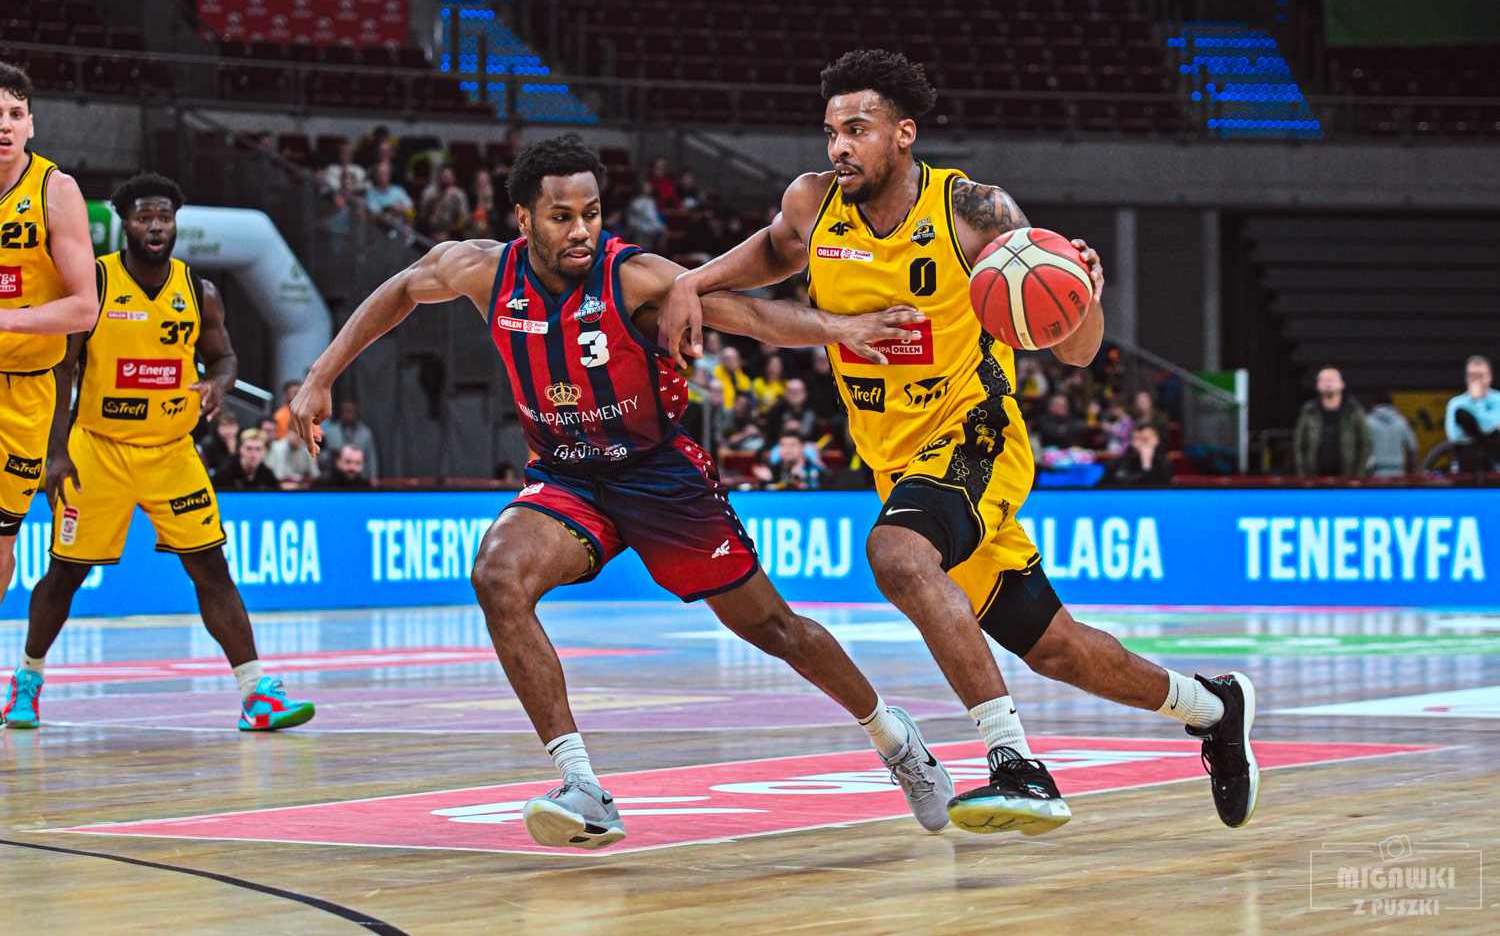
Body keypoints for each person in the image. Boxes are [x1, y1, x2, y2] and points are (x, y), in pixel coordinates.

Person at [287, 136, 951, 849]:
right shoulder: (483, 271)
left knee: (774, 630)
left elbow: (752, 316)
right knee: (497, 576)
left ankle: (894, 738)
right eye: (561, 216)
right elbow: (402, 287)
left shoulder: (633, 277)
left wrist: (840, 328)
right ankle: (583, 787)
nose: (581, 230)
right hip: (568, 477)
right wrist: (320, 376)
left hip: (659, 476)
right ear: (523, 219)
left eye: (592, 213)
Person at [658, 49, 1258, 836]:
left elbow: (1076, 352)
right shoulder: (813, 201)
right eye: (831, 132)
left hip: (976, 433)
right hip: (897, 462)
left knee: (898, 555)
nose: (839, 147)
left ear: (904, 133)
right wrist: (692, 281)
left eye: (858, 129)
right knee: (1058, 650)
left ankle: (1015, 764)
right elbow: (775, 250)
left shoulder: (972, 209)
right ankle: (1215, 708)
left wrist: (1080, 294)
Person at [3, 174, 311, 732]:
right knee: (65, 573)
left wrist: (218, 384)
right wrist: (56, 453)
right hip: (98, 450)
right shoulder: (96, 283)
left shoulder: (199, 290)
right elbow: (62, 368)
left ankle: (256, 694)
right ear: (125, 223)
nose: (156, 227)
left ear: (175, 224)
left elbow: (223, 357)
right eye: (145, 217)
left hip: (172, 452)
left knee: (211, 567)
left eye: (164, 217)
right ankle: (26, 681)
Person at [0, 63, 100, 668]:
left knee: (0, 542)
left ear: (31, 124)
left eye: (15, 114)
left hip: (25, 392)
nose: (4, 126)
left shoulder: (55, 191)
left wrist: (6, 320)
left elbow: (85, 307)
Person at [1293, 365, 1370, 477]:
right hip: (1314, 479)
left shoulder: (1354, 411)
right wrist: (1303, 475)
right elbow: (1299, 445)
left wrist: (1359, 475)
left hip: (1348, 478)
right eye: (1324, 379)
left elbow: (1366, 444)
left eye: (1332, 379)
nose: (1328, 382)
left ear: (1342, 384)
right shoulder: (1309, 411)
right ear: (1318, 386)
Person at [1444, 355, 1500, 473]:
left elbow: (1487, 429)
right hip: (1466, 462)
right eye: (1472, 375)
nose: (1476, 380)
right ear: (1466, 378)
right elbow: (1454, 436)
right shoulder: (1456, 403)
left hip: (1495, 463)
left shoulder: (1498, 400)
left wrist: (1477, 401)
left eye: (1481, 375)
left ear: (1489, 377)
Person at [319, 398, 379, 478]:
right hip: (334, 476)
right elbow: (321, 457)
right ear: (341, 413)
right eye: (347, 411)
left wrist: (373, 477)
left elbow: (371, 459)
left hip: (360, 477)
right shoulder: (330, 432)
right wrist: (331, 456)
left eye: (352, 412)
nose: (349, 415)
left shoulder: (366, 433)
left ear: (357, 413)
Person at [1365, 395, 1417, 477]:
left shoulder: (1368, 422)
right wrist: (1411, 470)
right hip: (1398, 472)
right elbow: (1412, 447)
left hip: (1375, 472)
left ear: (1374, 403)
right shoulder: (1401, 422)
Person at [213, 428, 280, 491]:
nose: (253, 454)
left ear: (264, 451)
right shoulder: (224, 475)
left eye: (258, 449)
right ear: (241, 449)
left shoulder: (268, 476)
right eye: (249, 448)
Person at [1106, 425, 1173, 485]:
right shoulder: (1121, 462)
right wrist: (1146, 467)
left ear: (1156, 440)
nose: (1139, 445)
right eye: (1136, 439)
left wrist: (1147, 464)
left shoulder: (1163, 464)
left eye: (1145, 440)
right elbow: (1129, 486)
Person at [420, 165, 471, 242]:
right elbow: (423, 217)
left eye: (449, 178)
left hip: (452, 230)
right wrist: (442, 200)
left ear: (454, 178)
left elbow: (466, 218)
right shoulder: (429, 192)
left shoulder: (459, 193)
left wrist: (457, 201)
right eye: (444, 177)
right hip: (432, 229)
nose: (446, 180)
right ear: (439, 178)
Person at [366, 160, 415, 228]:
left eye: (385, 173)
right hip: (379, 230)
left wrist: (401, 211)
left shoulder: (399, 191)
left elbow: (411, 211)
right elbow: (376, 215)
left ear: (389, 175)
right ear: (375, 175)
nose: (382, 176)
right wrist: (395, 209)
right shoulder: (371, 194)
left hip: (399, 228)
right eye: (380, 173)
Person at [625, 178, 665, 250]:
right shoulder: (636, 202)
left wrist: (660, 227)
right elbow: (632, 219)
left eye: (649, 186)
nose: (648, 188)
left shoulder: (651, 201)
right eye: (646, 186)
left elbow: (654, 217)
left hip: (650, 230)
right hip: (640, 230)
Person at [197, 409, 240, 474]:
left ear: (238, 428)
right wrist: (231, 454)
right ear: (217, 428)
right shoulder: (208, 444)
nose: (227, 431)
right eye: (224, 426)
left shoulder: (243, 444)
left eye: (231, 426)